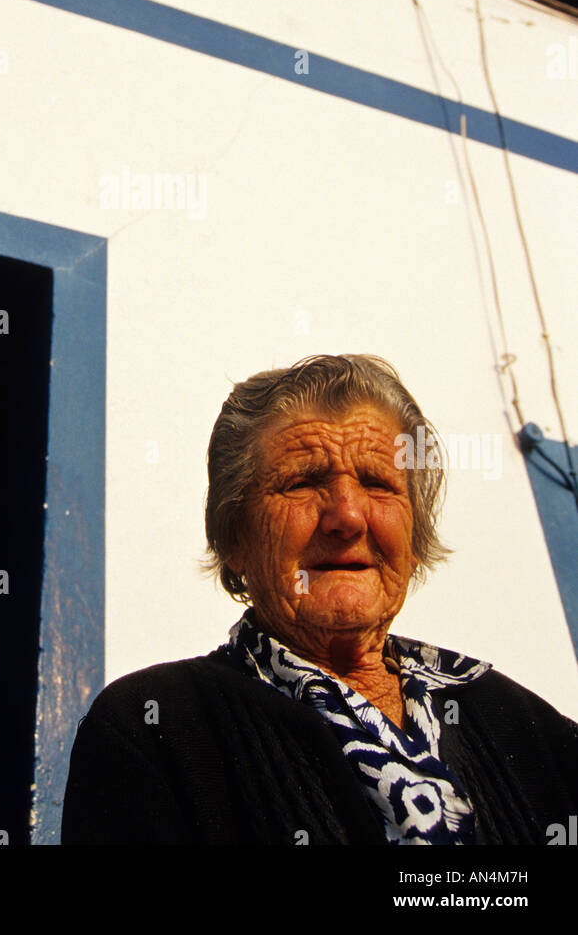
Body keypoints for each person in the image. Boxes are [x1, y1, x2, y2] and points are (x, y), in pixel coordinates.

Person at [61, 354, 578, 844]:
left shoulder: (521, 724)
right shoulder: (155, 728)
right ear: (235, 538)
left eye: (378, 483)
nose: (348, 517)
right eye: (303, 483)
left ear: (414, 540)